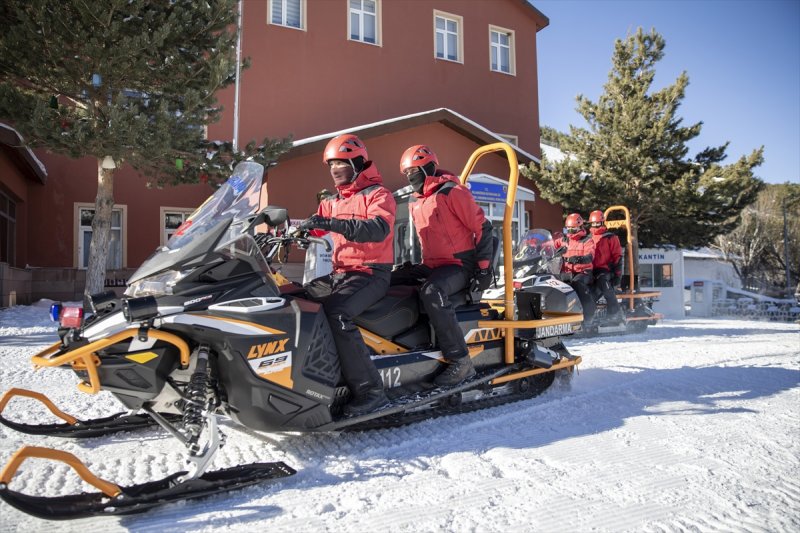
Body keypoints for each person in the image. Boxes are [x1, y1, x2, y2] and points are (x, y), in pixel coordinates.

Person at [299, 134, 396, 416]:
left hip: (371, 273)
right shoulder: (332, 200)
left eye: (340, 163)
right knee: (296, 300)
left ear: (356, 162)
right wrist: (293, 230)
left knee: (336, 312)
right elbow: (317, 227)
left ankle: (370, 390)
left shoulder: (378, 195)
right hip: (340, 273)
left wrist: (332, 223)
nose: (334, 169)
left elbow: (377, 229)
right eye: (331, 165)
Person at [392, 145, 494, 386]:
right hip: (432, 264)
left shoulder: (453, 193)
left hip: (459, 264)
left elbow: (483, 228)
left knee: (432, 290)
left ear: (428, 167)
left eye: (414, 171)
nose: (410, 177)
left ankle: (460, 361)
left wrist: (483, 268)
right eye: (406, 174)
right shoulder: (416, 201)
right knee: (388, 280)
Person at [554, 213, 596, 328]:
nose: (570, 230)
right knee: (552, 283)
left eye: (573, 228)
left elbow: (590, 256)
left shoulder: (587, 241)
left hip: (583, 272)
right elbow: (550, 245)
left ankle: (589, 314)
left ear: (580, 227)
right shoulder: (563, 240)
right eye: (568, 228)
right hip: (566, 272)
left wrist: (577, 259)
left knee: (577, 283)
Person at [588, 210, 625, 323]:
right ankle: (587, 314)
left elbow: (617, 256)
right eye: (593, 224)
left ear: (603, 223)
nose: (595, 226)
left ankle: (615, 313)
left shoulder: (610, 237)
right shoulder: (588, 238)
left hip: (605, 270)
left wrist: (617, 274)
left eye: (598, 223)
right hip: (589, 270)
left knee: (602, 283)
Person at [302, 189, 335, 285]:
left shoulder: (336, 218)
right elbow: (305, 234)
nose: (324, 201)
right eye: (322, 199)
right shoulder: (313, 218)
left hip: (331, 257)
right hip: (315, 256)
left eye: (327, 199)